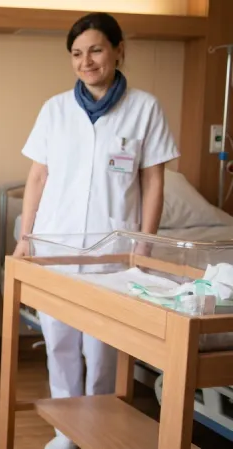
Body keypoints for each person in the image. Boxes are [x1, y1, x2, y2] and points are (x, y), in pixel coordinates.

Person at [12, 12, 179, 449]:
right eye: (77, 53)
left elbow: (153, 182)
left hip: (114, 251)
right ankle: (65, 434)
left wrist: (144, 243)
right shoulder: (55, 109)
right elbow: (36, 178)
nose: (86, 62)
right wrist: (24, 238)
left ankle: (97, 432)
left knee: (102, 349)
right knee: (60, 343)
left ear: (120, 50)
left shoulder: (145, 108)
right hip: (55, 245)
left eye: (96, 50)